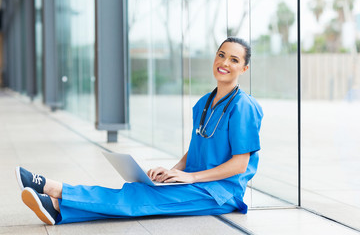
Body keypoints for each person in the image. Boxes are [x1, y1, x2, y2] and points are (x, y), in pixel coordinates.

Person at [15, 37, 263, 225]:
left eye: (234, 60)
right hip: (195, 183)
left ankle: (55, 188)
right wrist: (173, 171)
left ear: (244, 69)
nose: (224, 63)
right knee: (140, 192)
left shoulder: (244, 107)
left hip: (220, 193)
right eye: (221, 55)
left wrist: (192, 177)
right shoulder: (204, 104)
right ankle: (58, 209)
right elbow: (198, 148)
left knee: (141, 197)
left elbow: (240, 164)